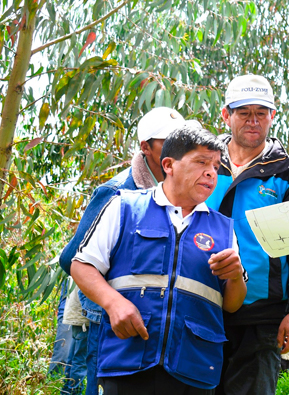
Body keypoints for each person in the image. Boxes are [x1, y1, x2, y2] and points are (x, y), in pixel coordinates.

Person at [70, 125, 247, 394]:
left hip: (193, 369)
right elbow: (81, 265)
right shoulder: (124, 207)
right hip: (128, 359)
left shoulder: (223, 229)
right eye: (201, 162)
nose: (211, 172)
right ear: (168, 165)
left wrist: (235, 276)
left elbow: (232, 305)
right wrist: (113, 302)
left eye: (215, 165)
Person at [56, 107, 197, 395]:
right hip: (108, 319)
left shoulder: (178, 190)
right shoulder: (118, 192)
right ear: (145, 147)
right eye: (169, 143)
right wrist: (112, 300)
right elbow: (72, 258)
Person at [206, 74, 289, 395]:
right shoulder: (204, 163)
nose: (253, 121)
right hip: (201, 310)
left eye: (261, 113)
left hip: (261, 318)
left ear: (272, 116)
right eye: (244, 112)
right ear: (226, 115)